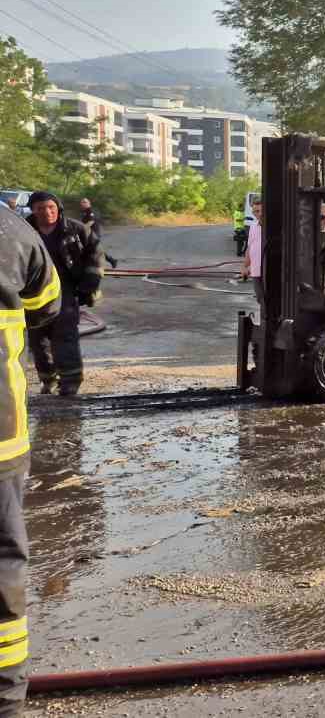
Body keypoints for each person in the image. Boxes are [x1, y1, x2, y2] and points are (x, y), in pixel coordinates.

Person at [0, 204, 61, 715]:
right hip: (2, 437)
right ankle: (6, 698)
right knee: (3, 566)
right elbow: (47, 305)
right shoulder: (10, 229)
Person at [23, 192, 102, 397]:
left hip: (66, 290)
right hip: (33, 292)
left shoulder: (75, 229)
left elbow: (94, 254)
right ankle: (48, 379)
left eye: (51, 207)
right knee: (38, 341)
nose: (47, 212)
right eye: (40, 208)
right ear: (33, 210)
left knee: (65, 336)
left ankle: (70, 382)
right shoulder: (23, 231)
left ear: (58, 208)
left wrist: (88, 284)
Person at [238, 197, 265, 306]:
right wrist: (245, 266)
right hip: (256, 271)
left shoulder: (276, 227)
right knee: (260, 299)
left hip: (270, 271)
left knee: (271, 301)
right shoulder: (253, 226)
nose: (258, 214)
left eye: (260, 211)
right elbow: (250, 247)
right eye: (255, 211)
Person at [78, 199, 115, 268]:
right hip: (88, 234)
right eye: (82, 202)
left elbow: (90, 222)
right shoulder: (84, 212)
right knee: (90, 249)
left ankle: (111, 260)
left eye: (85, 202)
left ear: (89, 203)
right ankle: (110, 260)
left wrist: (81, 229)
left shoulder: (90, 211)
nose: (83, 204)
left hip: (94, 234)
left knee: (95, 249)